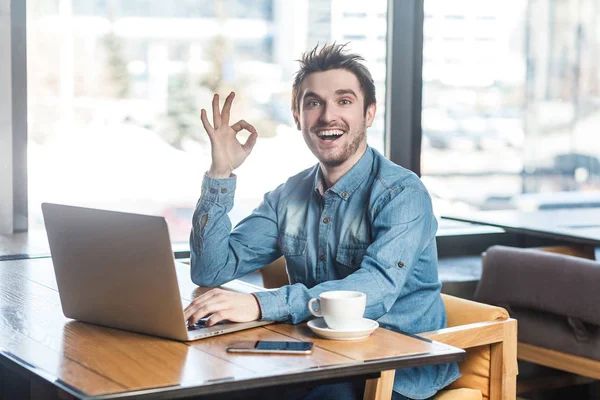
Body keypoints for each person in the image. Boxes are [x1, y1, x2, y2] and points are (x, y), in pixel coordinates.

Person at [184, 43, 460, 400]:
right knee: (215, 387)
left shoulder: (402, 194)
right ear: (298, 117)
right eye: (313, 103)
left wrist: (258, 304)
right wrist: (220, 171)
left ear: (369, 113)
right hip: (318, 355)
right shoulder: (289, 195)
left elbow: (373, 289)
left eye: (344, 101)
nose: (328, 116)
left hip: (397, 367)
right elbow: (209, 270)